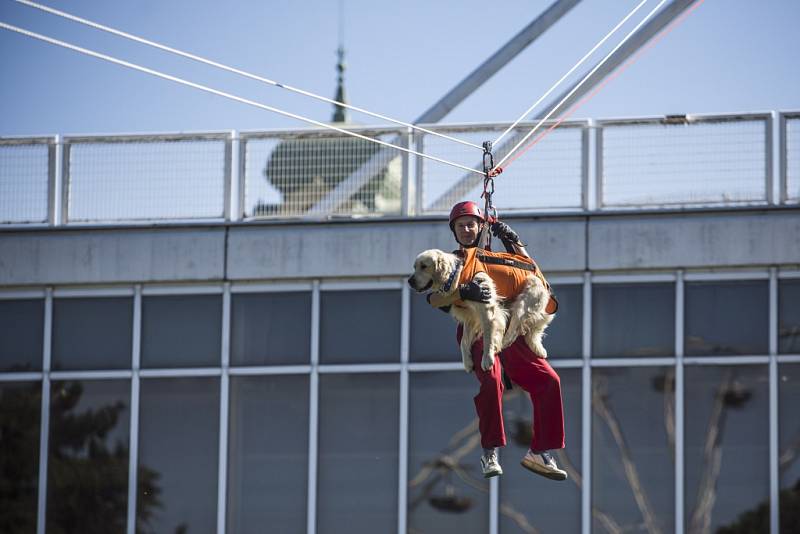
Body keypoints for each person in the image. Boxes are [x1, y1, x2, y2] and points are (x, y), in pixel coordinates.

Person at [427, 200, 567, 481]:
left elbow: (535, 277)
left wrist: (514, 242)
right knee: (492, 382)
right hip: (479, 330)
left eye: (471, 224)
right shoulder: (452, 263)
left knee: (550, 381)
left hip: (512, 333)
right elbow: (434, 298)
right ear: (454, 231)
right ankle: (490, 449)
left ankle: (541, 451)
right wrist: (464, 291)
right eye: (460, 225)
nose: (467, 229)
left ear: (481, 227)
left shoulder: (503, 259)